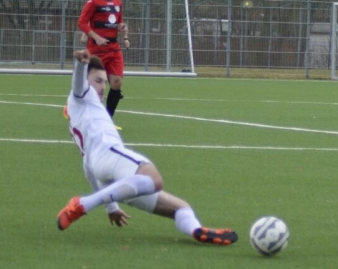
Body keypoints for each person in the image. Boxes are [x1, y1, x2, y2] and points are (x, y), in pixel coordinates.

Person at [56, 48, 238, 245]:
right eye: (98, 81)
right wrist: (81, 65)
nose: (102, 87)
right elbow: (78, 85)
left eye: (105, 82)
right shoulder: (82, 96)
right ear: (86, 81)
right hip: (111, 155)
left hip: (103, 171)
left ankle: (196, 230)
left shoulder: (83, 112)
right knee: (154, 180)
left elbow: (89, 169)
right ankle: (84, 204)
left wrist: (112, 208)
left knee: (180, 207)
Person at [78, 0, 128, 122]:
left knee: (117, 82)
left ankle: (108, 119)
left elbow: (118, 22)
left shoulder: (118, 3)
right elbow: (82, 23)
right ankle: (81, 111)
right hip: (96, 50)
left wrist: (121, 27)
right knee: (94, 85)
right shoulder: (93, 2)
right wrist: (96, 37)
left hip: (114, 48)